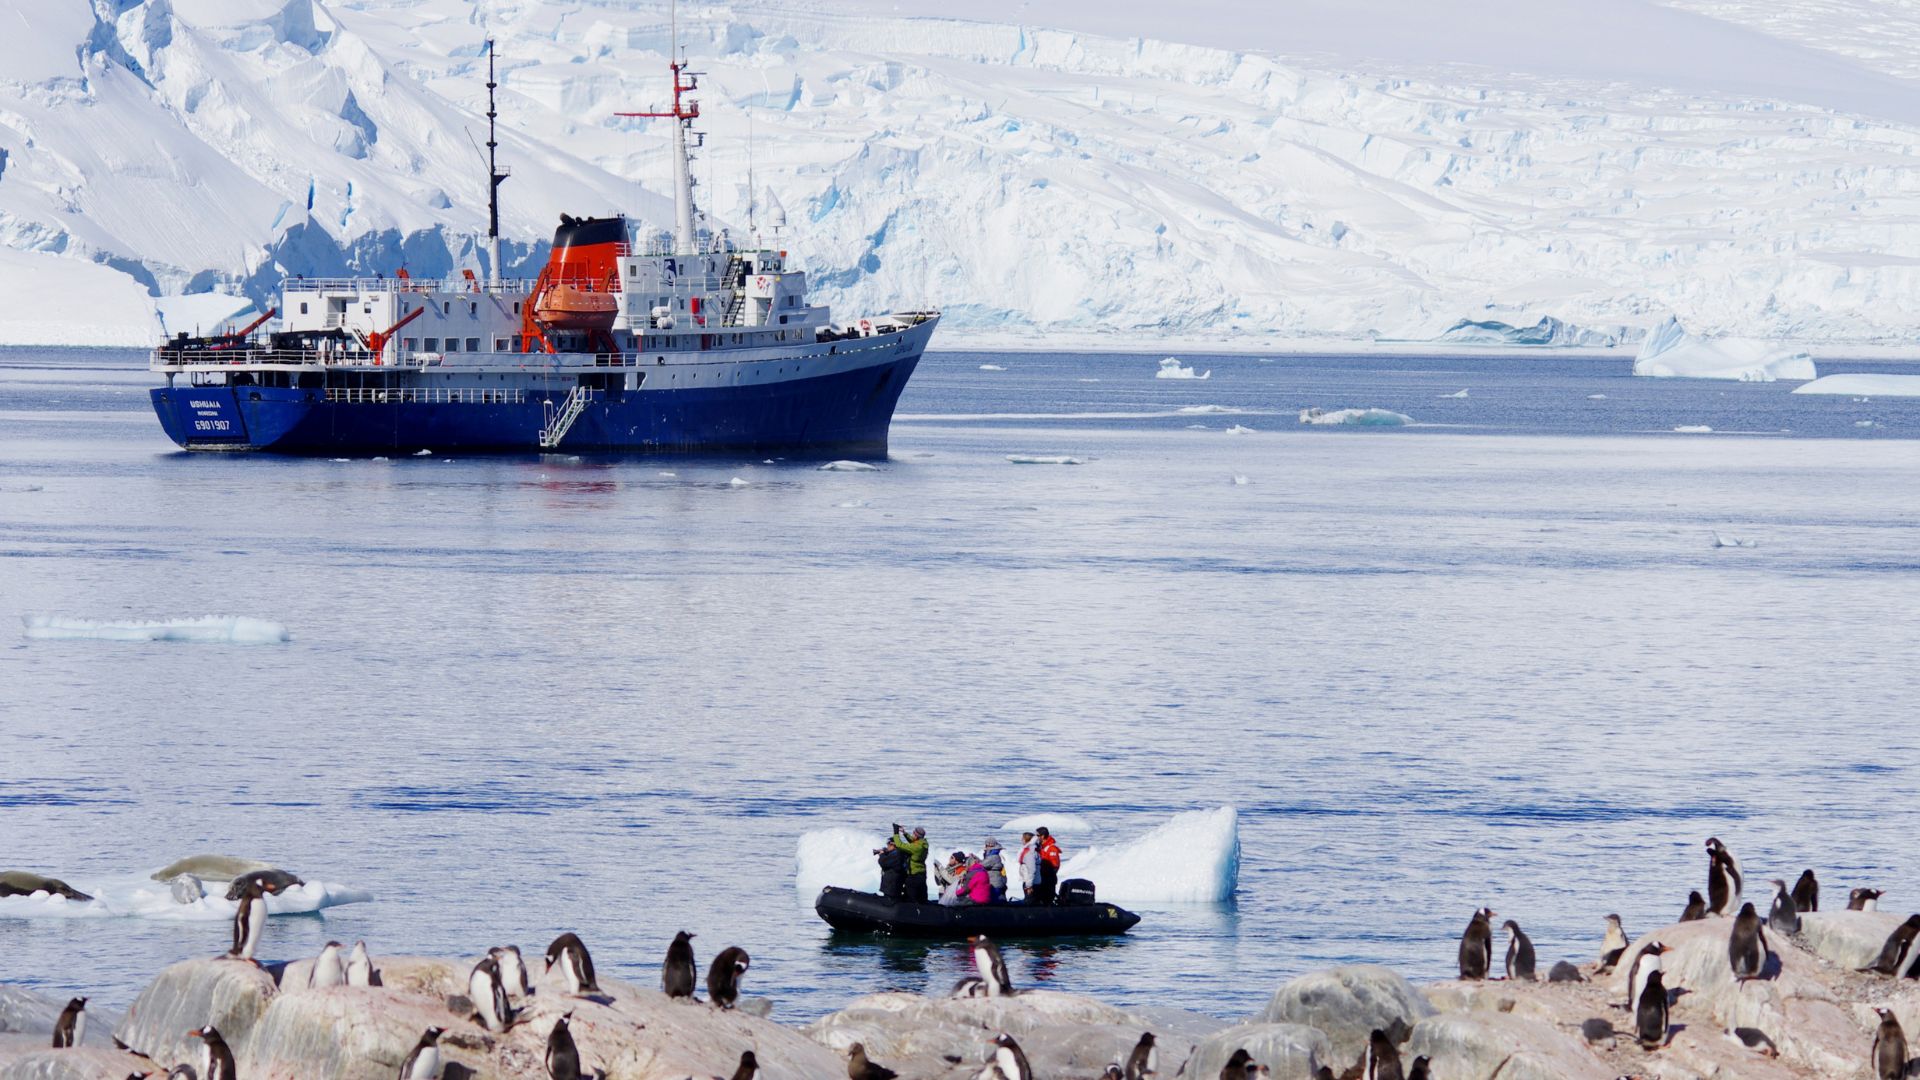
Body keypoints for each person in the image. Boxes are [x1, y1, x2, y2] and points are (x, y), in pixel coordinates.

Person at [891, 825, 929, 904]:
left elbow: (900, 845)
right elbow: (913, 841)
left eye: (913, 834)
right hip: (922, 874)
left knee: (910, 897)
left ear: (916, 836)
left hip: (913, 876)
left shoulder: (916, 848)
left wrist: (896, 833)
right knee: (922, 898)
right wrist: (904, 833)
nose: (912, 835)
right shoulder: (923, 843)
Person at [1033, 826, 1062, 905]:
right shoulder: (1041, 847)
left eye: (1037, 835)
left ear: (1042, 836)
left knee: (1047, 899)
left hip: (1048, 880)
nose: (1036, 838)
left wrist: (1045, 875)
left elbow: (1055, 866)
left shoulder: (1051, 848)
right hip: (1040, 878)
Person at [981, 838, 1007, 903]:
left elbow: (982, 865)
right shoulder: (994, 855)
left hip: (995, 883)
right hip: (997, 882)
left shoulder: (993, 857)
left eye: (986, 846)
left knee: (996, 901)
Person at [1017, 831, 1039, 903]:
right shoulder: (1029, 850)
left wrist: (1029, 885)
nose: (1021, 840)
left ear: (1026, 840)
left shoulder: (1029, 852)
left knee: (1030, 901)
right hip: (1029, 881)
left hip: (1031, 882)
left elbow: (1031, 869)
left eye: (1022, 838)